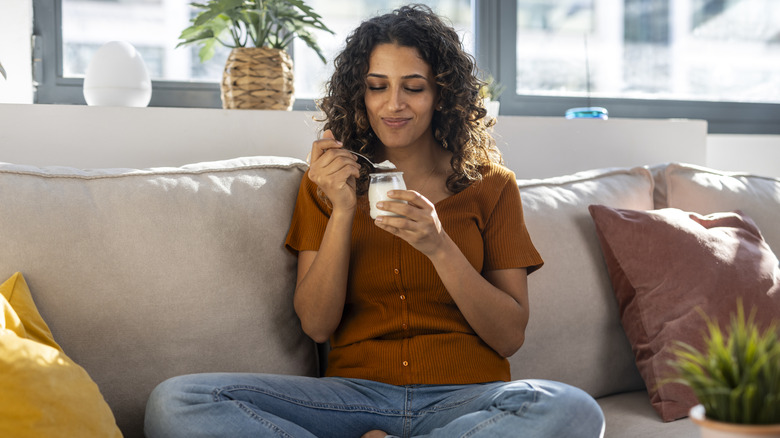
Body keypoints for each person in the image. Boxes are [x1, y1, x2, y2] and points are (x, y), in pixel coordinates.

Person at [144, 5, 605, 438]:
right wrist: (343, 209)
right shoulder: (325, 184)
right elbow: (318, 326)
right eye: (377, 85)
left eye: (414, 86)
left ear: (442, 92)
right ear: (358, 92)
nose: (393, 105)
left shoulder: (492, 186)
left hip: (466, 398)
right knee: (179, 401)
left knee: (572, 408)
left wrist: (440, 246)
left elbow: (509, 337)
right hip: (352, 399)